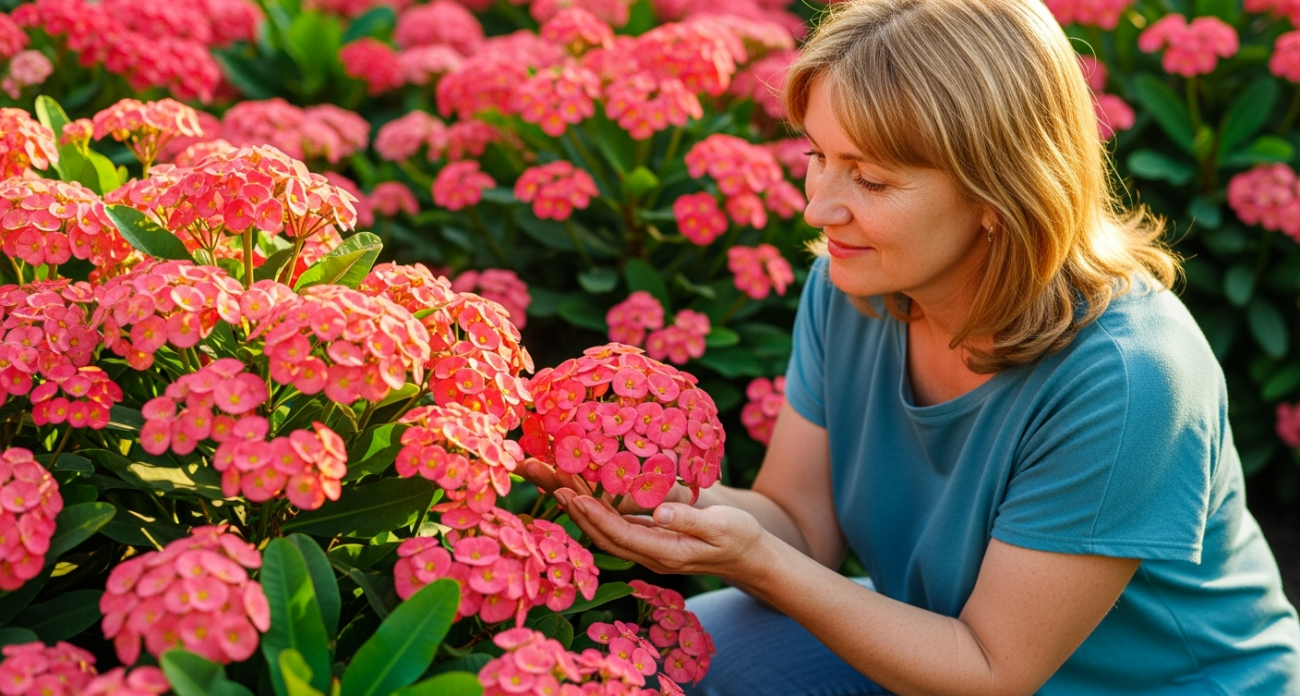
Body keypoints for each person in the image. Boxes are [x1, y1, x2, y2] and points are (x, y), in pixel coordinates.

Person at [523, 0, 1300, 693]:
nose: (821, 207)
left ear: (999, 192)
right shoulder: (853, 286)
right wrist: (652, 492)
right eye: (816, 157)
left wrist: (757, 557)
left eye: (870, 178)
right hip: (936, 642)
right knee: (689, 648)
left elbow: (992, 672)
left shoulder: (1130, 374)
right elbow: (801, 523)